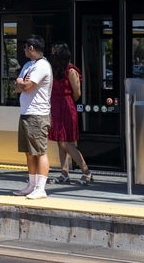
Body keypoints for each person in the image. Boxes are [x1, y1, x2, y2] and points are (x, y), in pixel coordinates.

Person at [13, 35, 53, 199]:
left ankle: (41, 188)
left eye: (24, 48)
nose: (23, 51)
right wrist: (20, 83)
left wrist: (21, 83)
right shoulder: (29, 65)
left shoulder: (42, 66)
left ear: (31, 48)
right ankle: (31, 185)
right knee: (29, 152)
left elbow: (27, 86)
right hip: (26, 113)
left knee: (40, 151)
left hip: (37, 114)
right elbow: (17, 88)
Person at [49, 44, 92, 185]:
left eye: (54, 53)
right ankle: (64, 173)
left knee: (66, 142)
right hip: (56, 107)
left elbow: (77, 93)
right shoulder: (55, 70)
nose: (52, 56)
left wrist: (65, 102)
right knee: (60, 143)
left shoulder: (71, 70)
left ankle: (86, 171)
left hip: (66, 107)